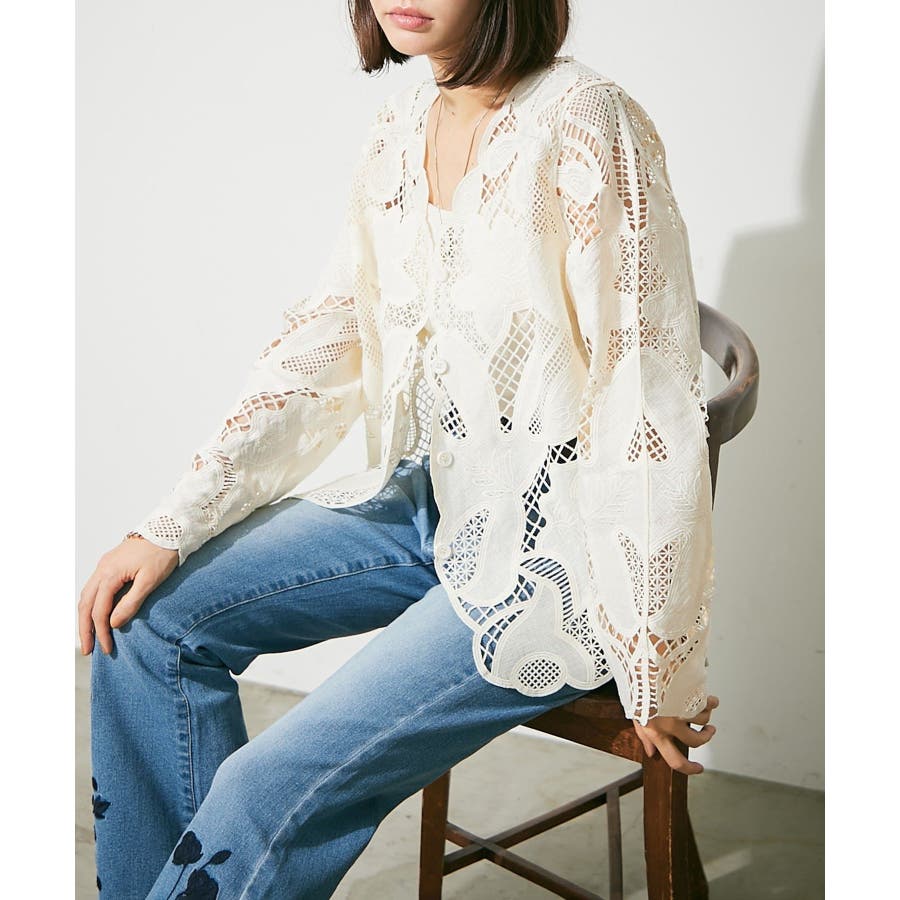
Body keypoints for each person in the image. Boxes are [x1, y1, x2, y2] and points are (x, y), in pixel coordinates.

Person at [80, 1, 720, 897]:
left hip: (552, 563)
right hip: (434, 501)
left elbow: (643, 396)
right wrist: (171, 525)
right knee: (142, 621)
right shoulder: (403, 122)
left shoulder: (586, 120)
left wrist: (656, 663)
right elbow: (331, 334)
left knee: (265, 789)